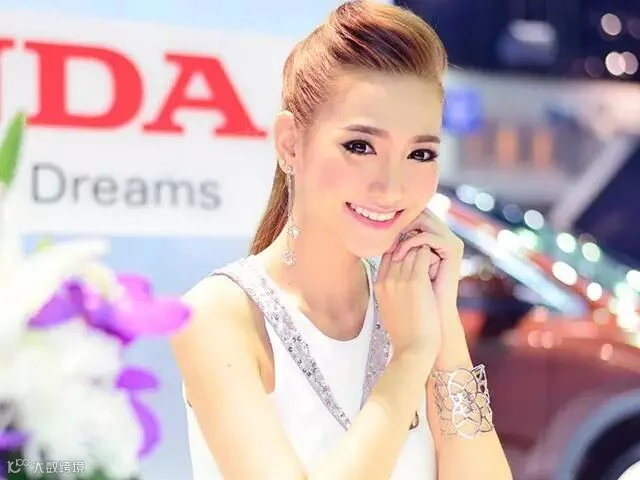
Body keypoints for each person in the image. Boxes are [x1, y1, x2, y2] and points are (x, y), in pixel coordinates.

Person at [170, 1, 513, 478]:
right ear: (291, 143)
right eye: (360, 146)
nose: (391, 186)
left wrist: (444, 324)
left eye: (420, 153)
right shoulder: (218, 316)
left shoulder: (409, 307)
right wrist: (411, 357)